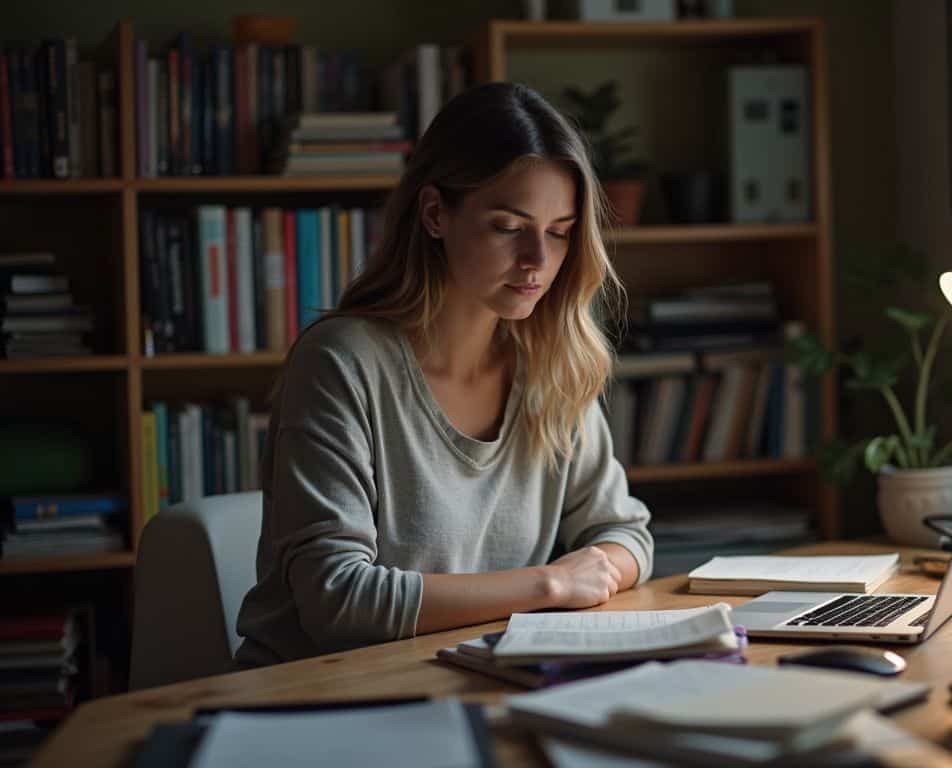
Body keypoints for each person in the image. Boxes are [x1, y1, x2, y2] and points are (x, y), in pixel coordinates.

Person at [234, 82, 654, 667]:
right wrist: (550, 586)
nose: (538, 260)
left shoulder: (551, 364)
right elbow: (339, 602)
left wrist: (593, 567)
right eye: (509, 227)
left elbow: (626, 534)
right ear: (435, 214)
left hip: (469, 677)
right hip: (317, 699)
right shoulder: (341, 364)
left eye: (559, 232)